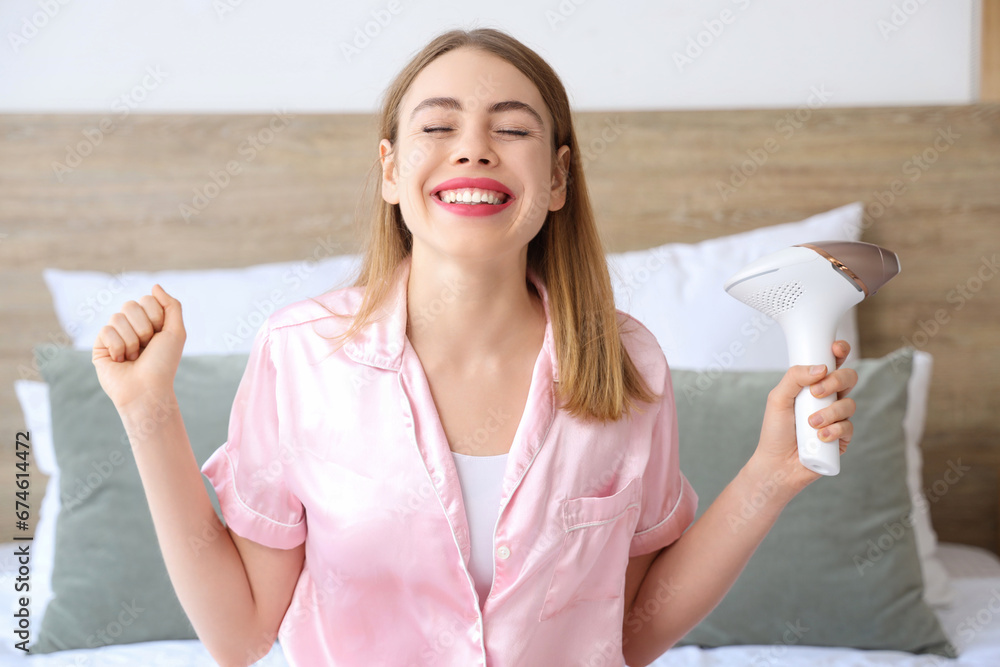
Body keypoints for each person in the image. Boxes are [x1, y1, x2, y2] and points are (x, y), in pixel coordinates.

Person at [92, 27, 858, 667]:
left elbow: (630, 627)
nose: (474, 150)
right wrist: (147, 411)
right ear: (391, 170)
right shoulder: (299, 355)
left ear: (558, 178)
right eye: (437, 126)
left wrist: (771, 475)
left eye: (514, 128)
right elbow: (239, 631)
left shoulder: (628, 366)